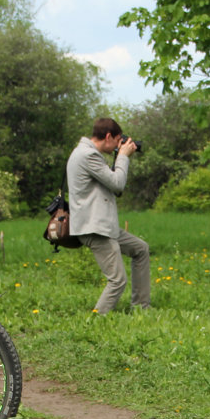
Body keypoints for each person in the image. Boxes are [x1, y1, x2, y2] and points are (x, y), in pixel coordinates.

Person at [66, 117, 151, 314]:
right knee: (118, 280)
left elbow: (113, 186)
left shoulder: (87, 153)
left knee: (140, 249)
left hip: (102, 225)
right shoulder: (88, 155)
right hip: (94, 227)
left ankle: (141, 308)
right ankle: (96, 321)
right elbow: (118, 183)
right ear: (108, 136)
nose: (119, 145)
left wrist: (118, 156)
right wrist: (123, 156)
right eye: (118, 140)